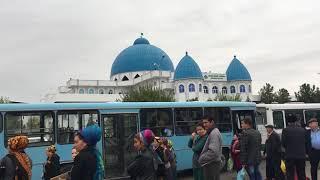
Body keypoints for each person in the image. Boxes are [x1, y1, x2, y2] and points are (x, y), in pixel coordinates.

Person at [282, 113, 307, 180]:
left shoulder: (285, 130)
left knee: (290, 174)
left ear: (288, 122)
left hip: (290, 155)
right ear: (295, 121)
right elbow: (305, 142)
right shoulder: (302, 130)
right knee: (301, 173)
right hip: (301, 155)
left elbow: (283, 143)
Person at [198, 116, 222, 180]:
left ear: (212, 122)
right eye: (203, 123)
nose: (204, 125)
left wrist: (201, 158)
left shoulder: (214, 133)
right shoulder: (212, 132)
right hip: (211, 164)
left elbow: (213, 152)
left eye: (206, 122)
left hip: (211, 164)